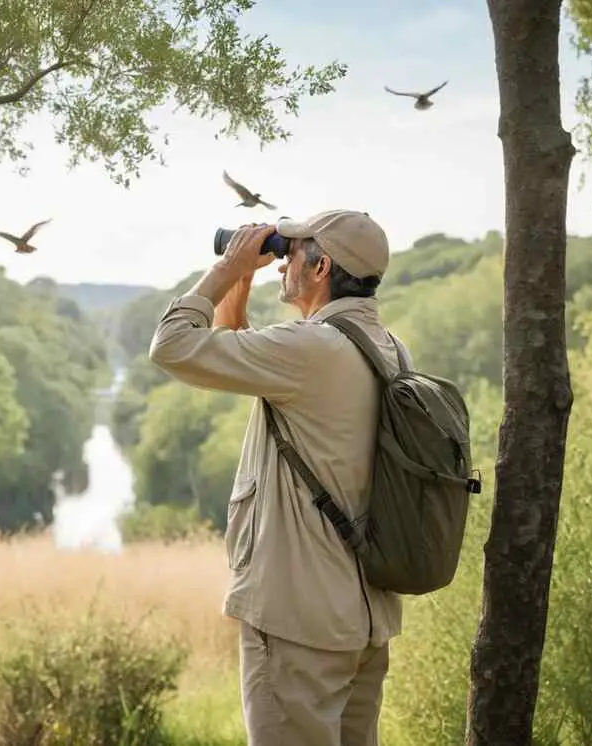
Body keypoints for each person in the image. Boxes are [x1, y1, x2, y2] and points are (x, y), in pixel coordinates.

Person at [148, 209, 411, 746]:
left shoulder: (311, 349)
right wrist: (241, 285)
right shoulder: (386, 348)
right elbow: (247, 360)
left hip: (300, 621)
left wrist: (225, 267)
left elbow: (172, 346)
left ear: (323, 268)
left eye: (291, 253)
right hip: (360, 619)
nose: (281, 263)